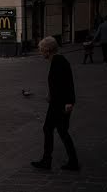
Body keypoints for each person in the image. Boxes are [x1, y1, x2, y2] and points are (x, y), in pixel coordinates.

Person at [31, 36, 79, 171]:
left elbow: (67, 83)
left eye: (41, 50)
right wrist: (50, 94)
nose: (41, 53)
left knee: (56, 130)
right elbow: (57, 83)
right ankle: (56, 160)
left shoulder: (59, 62)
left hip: (60, 104)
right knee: (56, 130)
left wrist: (69, 102)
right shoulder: (57, 61)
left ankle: (54, 161)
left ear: (47, 50)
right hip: (57, 102)